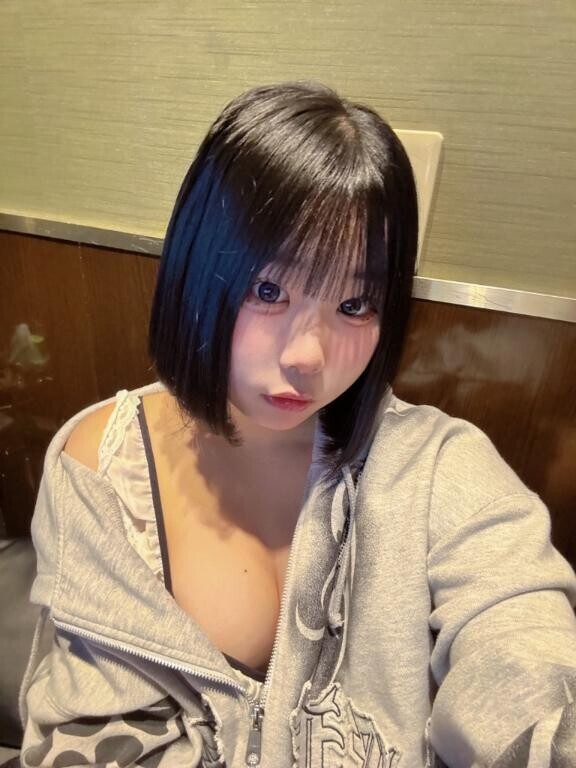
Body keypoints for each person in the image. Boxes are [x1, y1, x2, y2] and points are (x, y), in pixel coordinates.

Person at [17, 80, 576, 768]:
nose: (308, 356)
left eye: (356, 304)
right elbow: (91, 732)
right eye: (269, 290)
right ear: (200, 270)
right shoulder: (102, 467)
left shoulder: (437, 464)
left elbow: (523, 646)